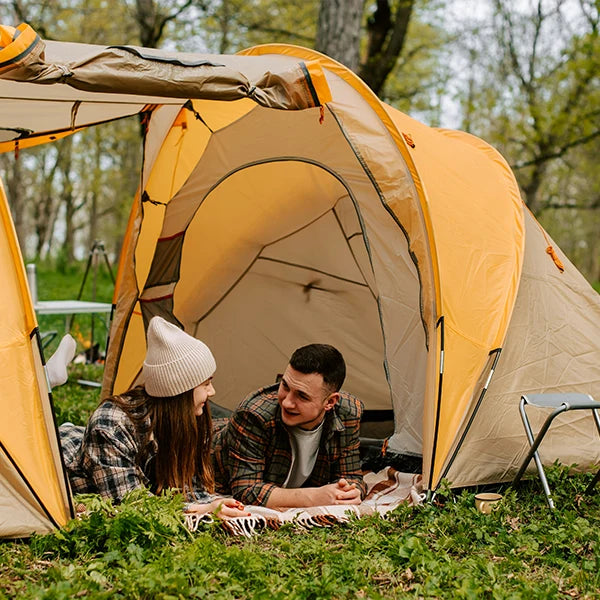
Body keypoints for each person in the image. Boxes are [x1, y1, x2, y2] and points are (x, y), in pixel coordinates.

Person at [59, 316, 248, 519]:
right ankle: (48, 378)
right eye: (205, 384)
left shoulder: (183, 418)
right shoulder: (110, 426)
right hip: (62, 458)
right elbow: (129, 504)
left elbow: (189, 492)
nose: (212, 391)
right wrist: (203, 510)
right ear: (180, 392)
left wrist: (213, 504)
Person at [213, 343, 366, 509]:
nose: (287, 402)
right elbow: (246, 490)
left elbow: (350, 476)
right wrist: (315, 496)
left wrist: (352, 491)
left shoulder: (348, 413)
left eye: (302, 396)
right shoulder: (253, 415)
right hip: (199, 450)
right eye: (285, 385)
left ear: (330, 402)